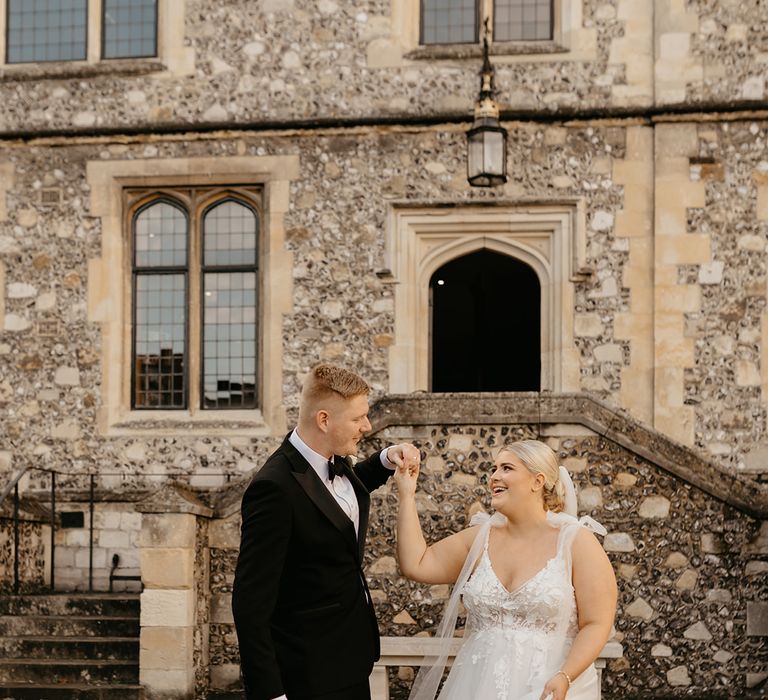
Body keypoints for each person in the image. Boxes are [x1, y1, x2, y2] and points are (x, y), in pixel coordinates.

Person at [232, 363, 420, 700]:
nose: (367, 425)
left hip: (351, 661)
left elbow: (341, 497)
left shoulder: (334, 459)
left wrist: (386, 459)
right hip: (306, 676)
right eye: (358, 417)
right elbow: (250, 604)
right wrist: (271, 694)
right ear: (324, 420)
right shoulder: (273, 489)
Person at [395, 439, 617, 700]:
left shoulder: (576, 542)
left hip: (549, 684)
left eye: (506, 468)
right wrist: (407, 495)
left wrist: (565, 676)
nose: (494, 477)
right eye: (494, 468)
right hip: (478, 686)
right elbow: (416, 564)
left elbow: (596, 623)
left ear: (537, 481)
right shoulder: (479, 538)